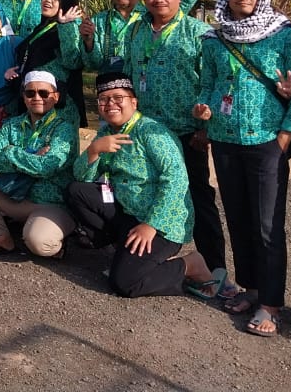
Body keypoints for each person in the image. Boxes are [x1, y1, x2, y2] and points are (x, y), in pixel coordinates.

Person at [195, 0, 291, 337]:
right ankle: (250, 288)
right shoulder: (215, 38)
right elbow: (209, 81)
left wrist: (285, 136)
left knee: (266, 226)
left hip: (266, 141)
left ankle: (271, 303)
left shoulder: (282, 35)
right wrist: (204, 107)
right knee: (238, 217)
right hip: (226, 141)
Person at [67, 72, 220, 298]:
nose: (110, 104)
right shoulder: (106, 133)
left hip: (160, 222)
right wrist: (94, 151)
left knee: (124, 283)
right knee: (76, 191)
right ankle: (122, 248)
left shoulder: (151, 132)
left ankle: (190, 265)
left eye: (118, 98)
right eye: (104, 99)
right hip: (128, 212)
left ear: (134, 102)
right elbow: (82, 177)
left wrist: (151, 225)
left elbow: (176, 180)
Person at [125, 0, 228, 294]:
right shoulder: (136, 31)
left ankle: (215, 268)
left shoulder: (199, 33)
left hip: (186, 132)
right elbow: (128, 74)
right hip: (146, 132)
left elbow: (213, 81)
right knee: (143, 189)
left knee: (197, 196)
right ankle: (141, 258)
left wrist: (204, 128)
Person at [0, 70, 78, 259]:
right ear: (24, 97)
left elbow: (47, 167)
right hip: (14, 196)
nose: (37, 98)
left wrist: (10, 151)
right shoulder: (12, 125)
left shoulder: (64, 130)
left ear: (56, 97)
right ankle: (1, 237)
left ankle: (55, 235)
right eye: (30, 93)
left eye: (44, 93)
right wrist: (31, 156)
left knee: (40, 243)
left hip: (49, 204)